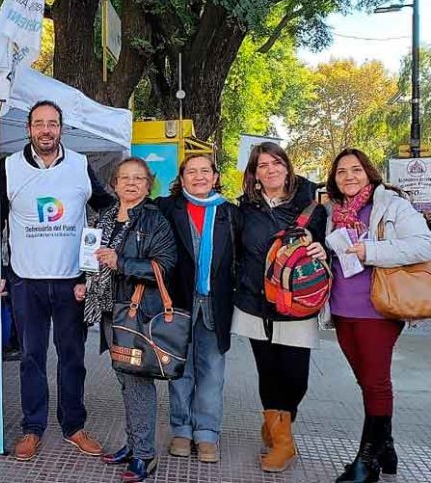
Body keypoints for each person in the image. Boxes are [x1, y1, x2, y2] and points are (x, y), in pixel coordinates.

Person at [0, 100, 114, 461]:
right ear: (29, 128)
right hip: (26, 282)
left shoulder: (80, 165)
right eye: (39, 124)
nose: (46, 130)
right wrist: (0, 273)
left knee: (72, 357)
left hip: (71, 283)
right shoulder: (9, 167)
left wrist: (94, 265)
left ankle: (73, 426)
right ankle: (32, 428)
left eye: (52, 123)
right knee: (31, 357)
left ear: (61, 128)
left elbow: (108, 208)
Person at [324, 148, 431, 483]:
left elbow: (424, 245)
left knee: (375, 381)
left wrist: (371, 251)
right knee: (366, 380)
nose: (349, 177)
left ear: (369, 172)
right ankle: (385, 447)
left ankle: (367, 460)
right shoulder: (334, 213)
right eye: (342, 172)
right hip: (342, 309)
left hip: (379, 308)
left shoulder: (392, 205)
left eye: (356, 170)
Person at [231, 141, 327, 473]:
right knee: (268, 371)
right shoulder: (245, 209)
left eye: (276, 163)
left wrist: (323, 250)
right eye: (262, 166)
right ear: (254, 175)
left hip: (298, 302)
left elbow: (331, 242)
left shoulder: (312, 203)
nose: (270, 170)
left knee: (296, 375)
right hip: (254, 302)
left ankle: (280, 422)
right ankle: (282, 439)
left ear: (287, 167)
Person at [88, 157, 177, 483]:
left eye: (138, 178)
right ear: (114, 183)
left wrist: (121, 262)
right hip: (112, 313)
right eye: (124, 177)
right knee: (125, 381)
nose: (130, 183)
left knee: (138, 384)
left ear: (148, 183)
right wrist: (85, 283)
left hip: (138, 315)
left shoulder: (155, 220)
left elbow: (165, 265)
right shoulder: (107, 216)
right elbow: (95, 261)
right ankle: (133, 444)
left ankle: (144, 456)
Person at [155, 154, 239, 463]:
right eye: (192, 171)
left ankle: (207, 434)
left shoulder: (229, 213)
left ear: (216, 177)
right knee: (180, 371)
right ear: (182, 177)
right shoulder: (167, 208)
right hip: (177, 303)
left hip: (216, 306)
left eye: (206, 171)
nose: (199, 176)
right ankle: (181, 430)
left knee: (212, 372)